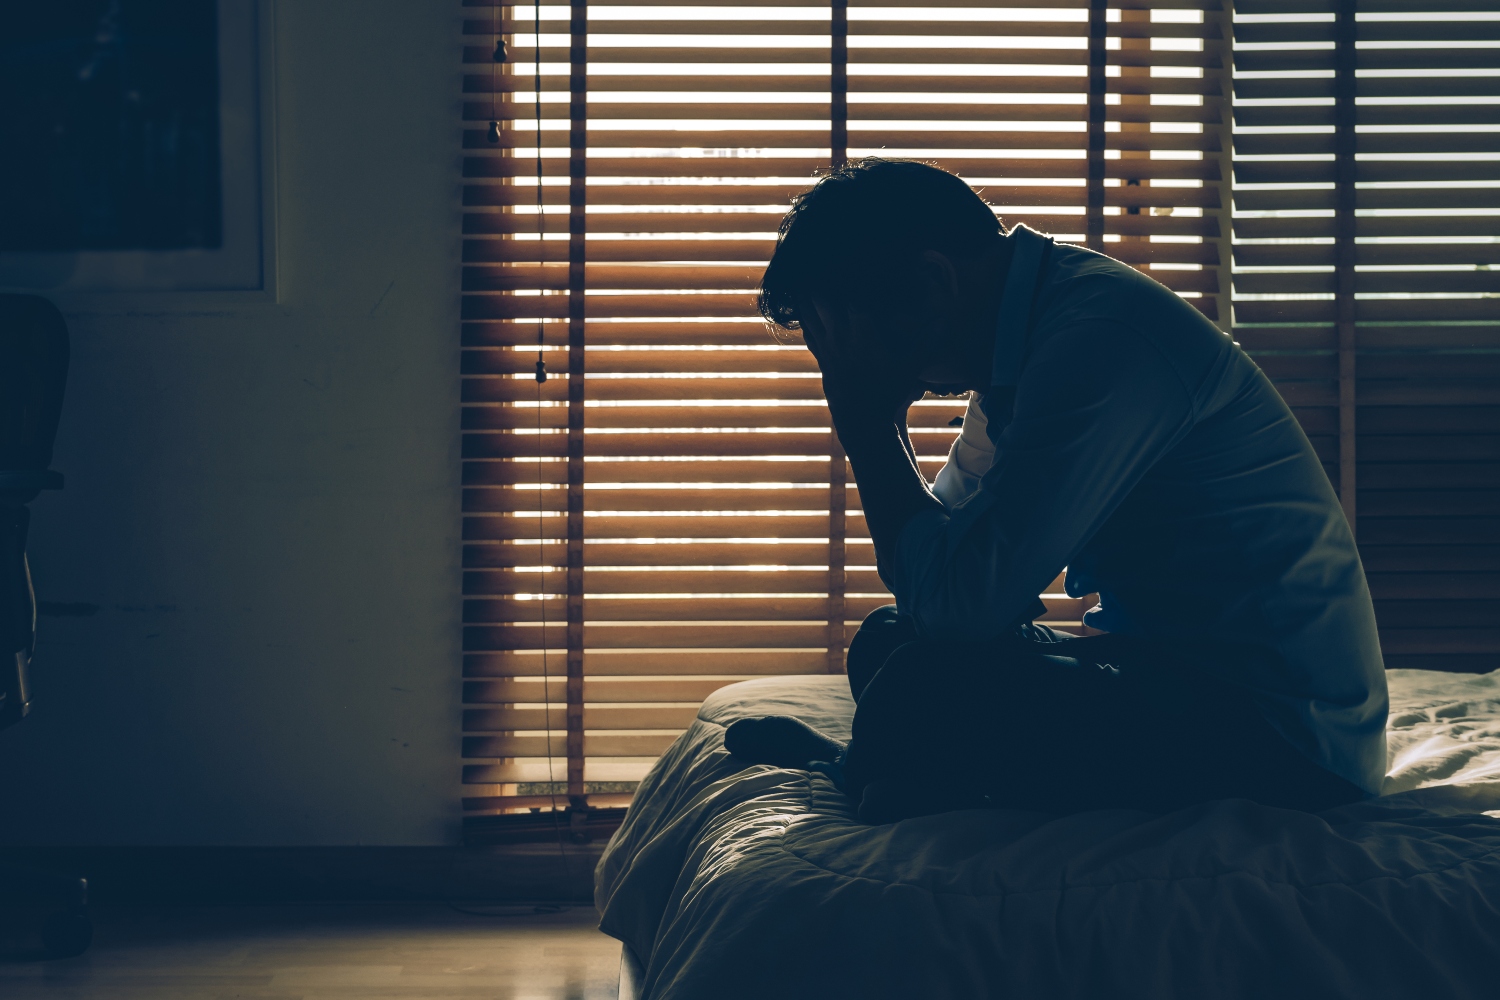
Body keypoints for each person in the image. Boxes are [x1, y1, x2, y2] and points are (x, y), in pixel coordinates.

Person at [724, 158, 1388, 824]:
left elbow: (960, 604)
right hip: (1170, 671)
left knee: (922, 682)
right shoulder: (1024, 345)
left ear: (930, 282)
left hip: (1286, 737)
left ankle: (866, 770)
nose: (849, 365)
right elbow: (936, 575)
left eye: (851, 337)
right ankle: (881, 768)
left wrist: (865, 424)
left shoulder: (1101, 344)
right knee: (888, 641)